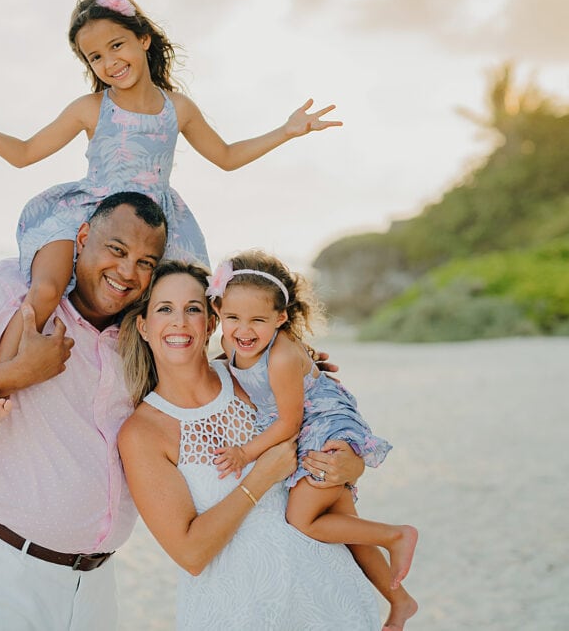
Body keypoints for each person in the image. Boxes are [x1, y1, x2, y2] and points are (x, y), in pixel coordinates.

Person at [0, 192, 352, 629]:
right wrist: (17, 372)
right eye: (116, 249)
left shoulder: (136, 336)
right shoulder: (10, 291)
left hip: (91, 579)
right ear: (83, 236)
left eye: (145, 263)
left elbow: (195, 380)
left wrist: (282, 368)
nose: (127, 271)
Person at [0, 0, 342, 432]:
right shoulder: (91, 108)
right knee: (45, 291)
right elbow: (24, 153)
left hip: (155, 223)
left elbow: (227, 156)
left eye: (116, 46)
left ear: (143, 39)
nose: (108, 62)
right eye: (95, 58)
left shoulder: (176, 108)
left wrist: (287, 131)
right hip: (94, 214)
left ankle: (270, 370)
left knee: (193, 311)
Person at [117, 261, 381, 629]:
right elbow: (191, 553)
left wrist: (352, 465)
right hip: (240, 613)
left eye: (193, 308)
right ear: (144, 326)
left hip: (329, 596)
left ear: (212, 321)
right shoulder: (142, 433)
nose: (179, 322)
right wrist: (260, 478)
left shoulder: (258, 377)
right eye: (164, 309)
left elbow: (332, 430)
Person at [206, 250, 419, 629]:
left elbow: (288, 423)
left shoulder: (283, 355)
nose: (244, 329)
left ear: (281, 317)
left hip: (323, 427)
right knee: (344, 525)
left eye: (258, 319)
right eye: (233, 317)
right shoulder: (233, 347)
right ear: (219, 310)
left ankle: (394, 534)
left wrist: (245, 452)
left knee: (302, 518)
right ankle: (399, 600)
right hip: (308, 429)